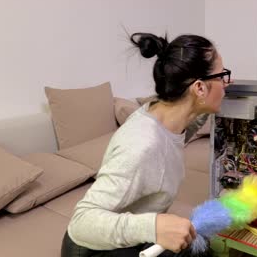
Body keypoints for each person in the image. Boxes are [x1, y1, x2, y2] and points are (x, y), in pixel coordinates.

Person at [61, 32, 232, 257]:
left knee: (199, 248)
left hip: (128, 237)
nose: (229, 82)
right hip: (90, 248)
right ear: (199, 88)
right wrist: (154, 226)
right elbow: (81, 222)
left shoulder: (168, 116)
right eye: (223, 76)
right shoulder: (143, 145)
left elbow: (191, 118)